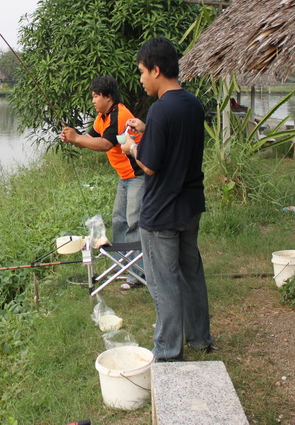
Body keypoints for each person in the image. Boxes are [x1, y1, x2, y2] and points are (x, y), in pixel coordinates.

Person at [119, 37, 212, 361]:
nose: (141, 79)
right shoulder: (192, 104)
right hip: (189, 206)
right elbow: (176, 143)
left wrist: (132, 147)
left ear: (156, 70)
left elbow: (150, 164)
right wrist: (147, 129)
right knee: (191, 274)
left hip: (161, 213)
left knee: (164, 282)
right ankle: (200, 337)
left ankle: (168, 349)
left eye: (143, 72)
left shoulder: (161, 109)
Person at [60, 75, 145, 290]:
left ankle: (137, 274)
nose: (93, 100)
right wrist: (74, 137)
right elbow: (91, 139)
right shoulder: (103, 117)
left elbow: (106, 144)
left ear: (108, 96)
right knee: (118, 220)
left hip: (139, 175)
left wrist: (78, 138)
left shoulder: (120, 114)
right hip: (125, 177)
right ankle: (121, 267)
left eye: (96, 96)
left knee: (134, 222)